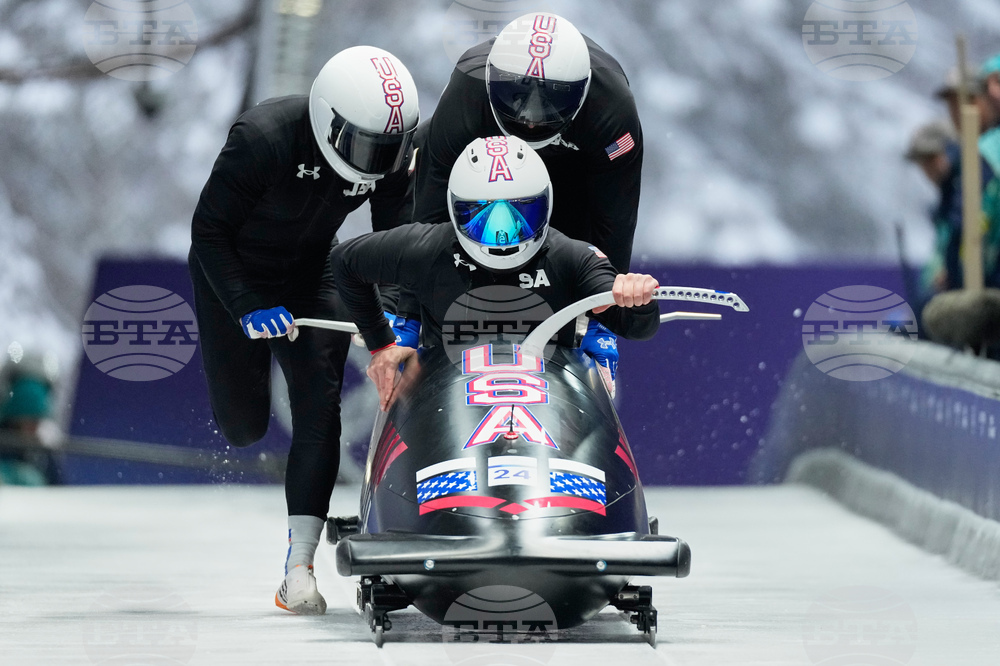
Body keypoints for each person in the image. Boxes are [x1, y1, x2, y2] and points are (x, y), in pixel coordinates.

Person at [189, 45, 418, 615]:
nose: (374, 162)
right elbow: (208, 233)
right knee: (243, 426)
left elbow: (392, 238)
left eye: (386, 150)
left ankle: (299, 570)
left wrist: (388, 315)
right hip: (235, 273)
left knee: (321, 405)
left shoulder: (390, 157)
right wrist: (243, 304)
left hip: (314, 270)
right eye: (365, 146)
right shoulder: (263, 137)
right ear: (326, 120)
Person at [330, 135, 660, 410]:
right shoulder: (426, 248)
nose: (502, 234)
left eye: (519, 213)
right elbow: (345, 261)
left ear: (545, 205)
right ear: (455, 209)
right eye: (482, 215)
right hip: (444, 405)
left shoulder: (571, 257)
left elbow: (639, 325)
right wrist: (381, 344)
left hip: (549, 407)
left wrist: (635, 297)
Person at [410, 12, 643, 388]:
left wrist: (603, 318)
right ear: (492, 84)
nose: (531, 118)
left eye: (550, 103)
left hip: (569, 177)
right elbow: (431, 204)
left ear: (581, 93)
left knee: (563, 260)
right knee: (420, 168)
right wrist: (408, 312)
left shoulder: (612, 113)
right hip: (479, 180)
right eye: (517, 97)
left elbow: (613, 218)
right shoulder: (467, 90)